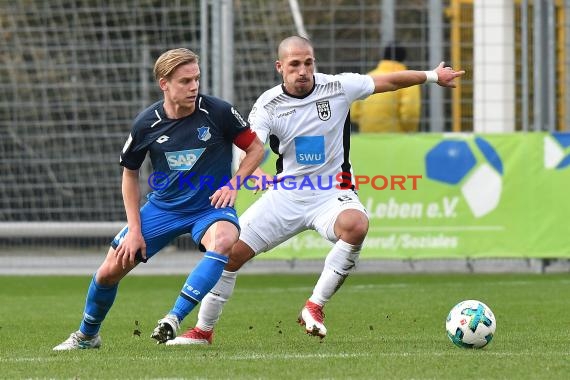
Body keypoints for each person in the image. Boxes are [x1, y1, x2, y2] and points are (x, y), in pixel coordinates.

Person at [152, 36, 464, 345]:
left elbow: (389, 82)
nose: (303, 71)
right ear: (280, 67)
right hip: (285, 195)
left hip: (331, 192)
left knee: (356, 225)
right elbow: (248, 147)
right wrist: (256, 173)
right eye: (295, 64)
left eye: (308, 63)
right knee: (228, 254)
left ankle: (314, 306)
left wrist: (435, 76)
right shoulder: (268, 104)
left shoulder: (337, 87)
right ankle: (203, 331)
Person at [53, 48, 264, 350]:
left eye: (197, 79)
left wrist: (234, 184)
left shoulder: (217, 112)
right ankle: (87, 336)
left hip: (209, 208)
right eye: (185, 81)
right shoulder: (145, 124)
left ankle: (174, 318)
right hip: (164, 208)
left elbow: (256, 148)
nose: (194, 87)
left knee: (224, 241)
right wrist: (135, 230)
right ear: (164, 83)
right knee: (109, 271)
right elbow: (130, 174)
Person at [350, 43, 421, 133]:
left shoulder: (368, 77)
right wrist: (410, 131)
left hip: (367, 137)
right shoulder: (409, 80)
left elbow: (354, 113)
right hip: (396, 138)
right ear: (403, 59)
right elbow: (410, 113)